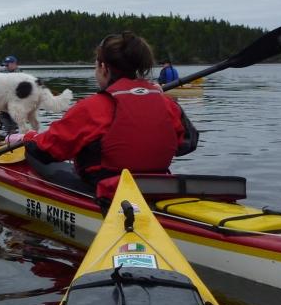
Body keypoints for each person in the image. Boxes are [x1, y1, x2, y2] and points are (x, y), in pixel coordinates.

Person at [20, 31, 198, 193]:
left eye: (95, 66)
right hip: (158, 188)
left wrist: (29, 138)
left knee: (34, 154)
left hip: (106, 190)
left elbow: (45, 151)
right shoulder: (167, 104)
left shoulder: (91, 107)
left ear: (104, 68)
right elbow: (188, 144)